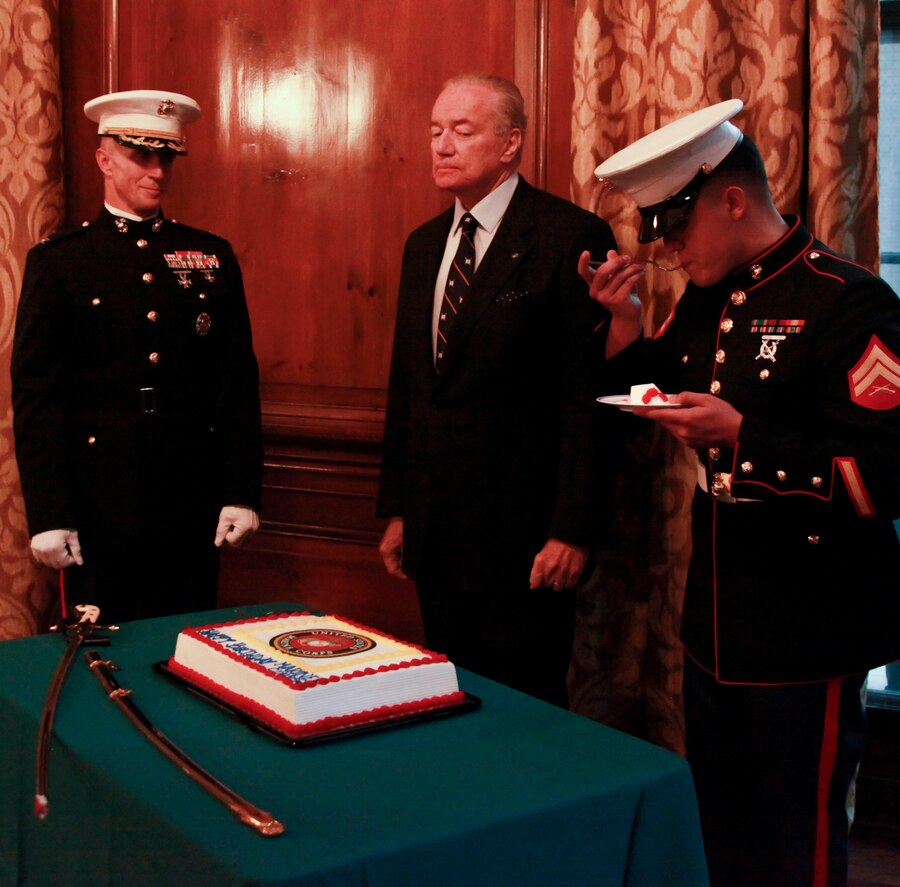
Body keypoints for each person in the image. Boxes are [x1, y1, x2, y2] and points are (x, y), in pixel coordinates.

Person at [579, 99, 900, 886]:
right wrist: (623, 325)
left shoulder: (847, 299)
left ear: (731, 200)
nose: (667, 248)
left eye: (676, 229)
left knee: (795, 846)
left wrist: (743, 439)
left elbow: (887, 473)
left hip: (809, 625)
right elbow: (653, 390)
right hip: (716, 622)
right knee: (721, 834)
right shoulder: (709, 293)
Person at [376, 72, 621, 707]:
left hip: (526, 541)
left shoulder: (569, 237)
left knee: (524, 715)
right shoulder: (423, 245)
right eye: (435, 131)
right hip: (435, 534)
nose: (442, 145)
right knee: (450, 704)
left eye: (462, 131)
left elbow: (588, 399)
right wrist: (400, 510)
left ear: (511, 143)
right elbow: (410, 388)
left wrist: (573, 530)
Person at [12, 90, 263, 624]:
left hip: (189, 496)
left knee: (186, 641)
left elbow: (235, 382)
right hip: (96, 501)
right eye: (141, 156)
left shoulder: (210, 256)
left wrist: (241, 492)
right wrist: (49, 513)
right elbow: (38, 399)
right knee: (101, 650)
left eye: (165, 158)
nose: (157, 171)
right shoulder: (60, 262)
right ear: (104, 160)